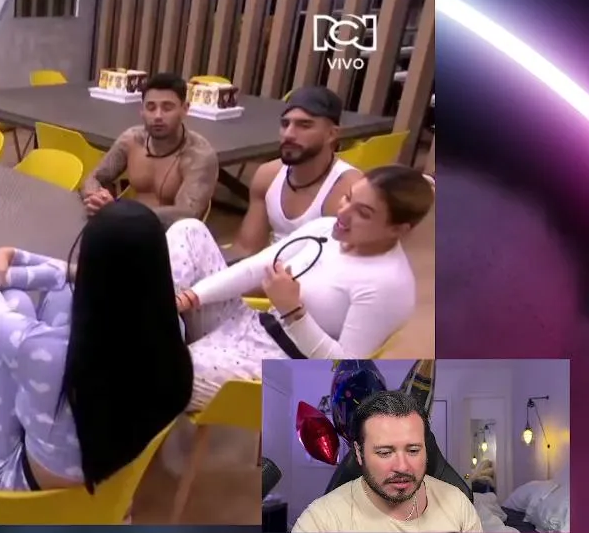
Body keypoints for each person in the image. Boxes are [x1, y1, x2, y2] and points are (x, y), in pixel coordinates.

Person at [0, 199, 193, 497]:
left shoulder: (47, 352)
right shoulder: (169, 332)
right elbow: (86, 277)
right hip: (106, 469)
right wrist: (12, 256)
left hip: (9, 490)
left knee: (14, 303)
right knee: (63, 296)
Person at [171, 165, 434, 410]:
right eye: (347, 198)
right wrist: (191, 297)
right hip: (252, 324)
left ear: (398, 230)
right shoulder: (325, 229)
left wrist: (293, 311)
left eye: (363, 213)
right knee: (189, 231)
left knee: (157, 372)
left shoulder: (388, 286)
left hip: (279, 365)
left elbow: (343, 369)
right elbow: (254, 268)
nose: (343, 213)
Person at [293, 391, 483, 533]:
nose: (402, 466)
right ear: (359, 452)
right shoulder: (321, 521)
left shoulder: (457, 504)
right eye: (385, 452)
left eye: (413, 450)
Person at [227, 86, 360, 262]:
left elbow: (350, 267)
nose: (289, 134)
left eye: (304, 125)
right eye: (285, 124)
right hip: (267, 270)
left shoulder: (350, 191)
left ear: (331, 134)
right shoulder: (267, 175)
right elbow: (247, 248)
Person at [81, 73, 220, 225]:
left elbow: (187, 214)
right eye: (151, 108)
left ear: (185, 109)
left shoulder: (199, 155)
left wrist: (118, 211)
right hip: (126, 226)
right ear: (142, 111)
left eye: (167, 108)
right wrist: (97, 199)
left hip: (167, 235)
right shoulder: (132, 139)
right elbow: (93, 178)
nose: (158, 116)